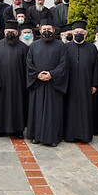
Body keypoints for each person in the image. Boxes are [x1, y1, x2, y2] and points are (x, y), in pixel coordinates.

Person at [26, 19, 69, 147]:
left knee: (53, 112)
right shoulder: (34, 45)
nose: (46, 32)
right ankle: (36, 136)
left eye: (49, 29)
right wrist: (37, 75)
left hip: (54, 85)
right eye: (44, 29)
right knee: (37, 111)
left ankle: (52, 138)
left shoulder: (61, 45)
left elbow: (64, 64)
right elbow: (29, 63)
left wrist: (52, 75)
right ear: (40, 31)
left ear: (54, 30)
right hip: (38, 84)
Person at [63, 21, 98, 143]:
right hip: (70, 85)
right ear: (73, 34)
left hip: (86, 84)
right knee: (70, 109)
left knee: (85, 110)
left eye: (81, 32)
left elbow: (97, 67)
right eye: (76, 32)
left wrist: (95, 84)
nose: (79, 34)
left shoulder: (92, 48)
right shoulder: (66, 47)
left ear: (85, 34)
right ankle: (69, 135)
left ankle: (85, 136)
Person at [0, 20, 28, 138]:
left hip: (18, 84)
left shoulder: (23, 47)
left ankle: (18, 130)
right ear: (4, 32)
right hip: (1, 84)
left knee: (18, 106)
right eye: (8, 31)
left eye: (13, 31)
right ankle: (0, 129)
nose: (10, 33)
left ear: (17, 33)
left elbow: (28, 67)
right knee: (0, 106)